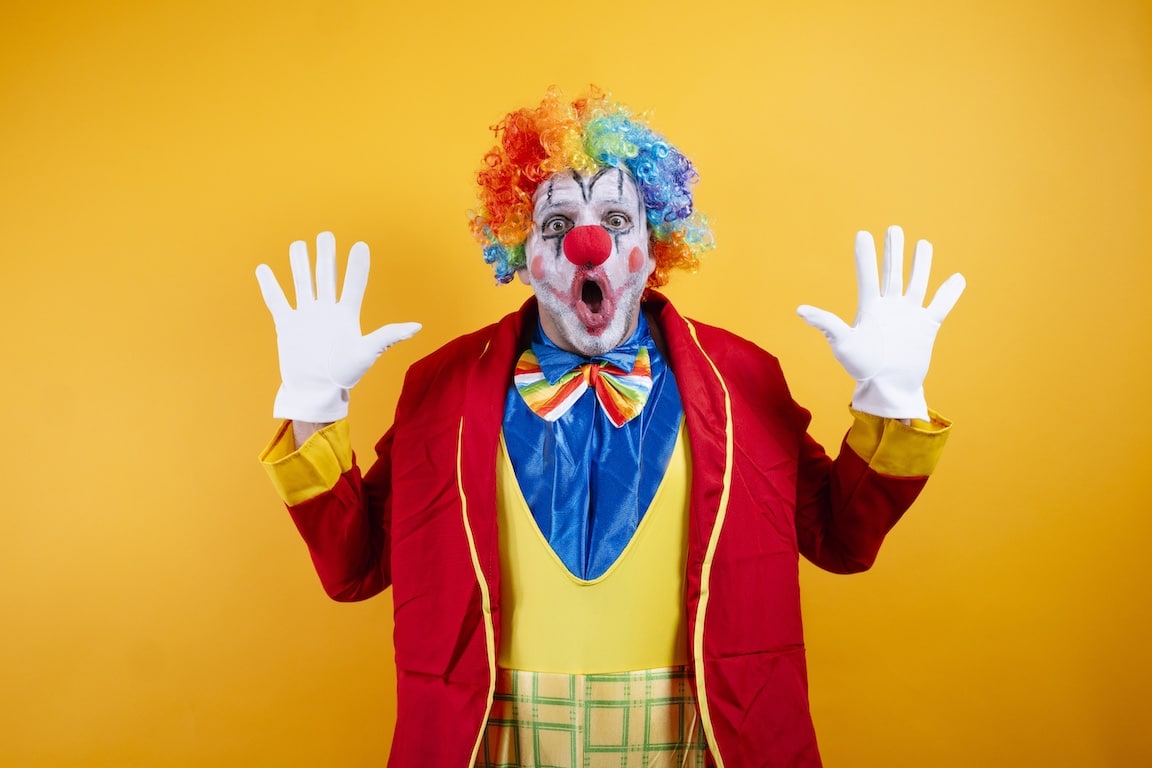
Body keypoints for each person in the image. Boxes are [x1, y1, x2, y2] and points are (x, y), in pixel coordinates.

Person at [256, 87, 965, 768]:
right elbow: (354, 566)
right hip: (495, 744)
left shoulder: (743, 379)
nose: (587, 243)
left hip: (700, 740)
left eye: (616, 223)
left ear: (654, 251)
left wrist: (891, 398)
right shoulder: (441, 387)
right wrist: (314, 404)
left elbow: (841, 537)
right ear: (521, 253)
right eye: (556, 225)